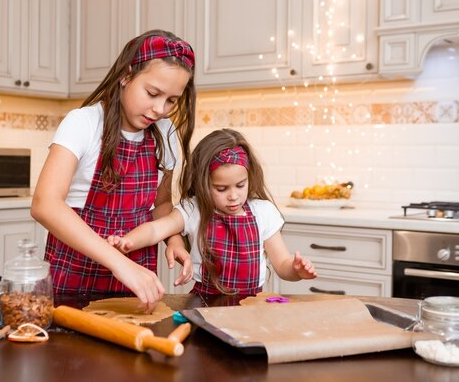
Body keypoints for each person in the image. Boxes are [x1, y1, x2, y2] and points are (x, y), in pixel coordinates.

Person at [31, 30, 196, 311]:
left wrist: (174, 239)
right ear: (126, 75)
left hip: (135, 283)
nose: (160, 109)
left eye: (171, 100)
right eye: (152, 93)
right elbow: (45, 204)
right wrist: (120, 264)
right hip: (74, 281)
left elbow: (162, 202)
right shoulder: (84, 123)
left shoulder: (164, 134)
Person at [107, 128, 317, 296]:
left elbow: (282, 265)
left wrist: (297, 271)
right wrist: (127, 242)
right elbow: (155, 230)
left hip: (252, 308)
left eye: (240, 185)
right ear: (203, 183)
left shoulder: (264, 212)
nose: (233, 196)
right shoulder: (194, 209)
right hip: (204, 303)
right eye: (221, 189)